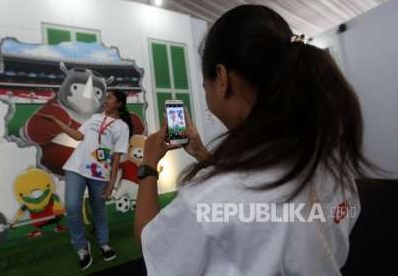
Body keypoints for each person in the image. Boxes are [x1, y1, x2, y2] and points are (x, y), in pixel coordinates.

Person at [134, 5, 376, 276]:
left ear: (223, 79)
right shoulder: (332, 162)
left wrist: (148, 165)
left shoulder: (206, 199)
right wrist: (201, 152)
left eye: (206, 86)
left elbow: (152, 244)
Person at [43, 90, 132, 270]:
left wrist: (112, 184)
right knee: (72, 206)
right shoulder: (94, 118)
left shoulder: (122, 127)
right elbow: (77, 136)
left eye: (109, 97)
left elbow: (116, 158)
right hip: (76, 167)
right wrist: (56, 122)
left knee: (98, 210)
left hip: (100, 173)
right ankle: (81, 247)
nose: (105, 100)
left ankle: (104, 243)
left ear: (119, 103)